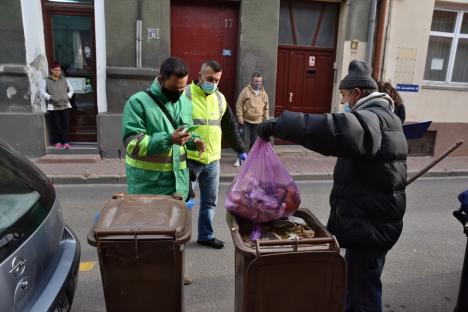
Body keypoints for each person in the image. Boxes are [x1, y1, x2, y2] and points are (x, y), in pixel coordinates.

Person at [258, 60, 408, 312]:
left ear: (357, 93)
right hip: (370, 223)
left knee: (363, 296)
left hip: (370, 228)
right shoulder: (384, 118)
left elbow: (334, 131)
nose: (343, 103)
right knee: (358, 286)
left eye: (344, 96)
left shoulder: (372, 119)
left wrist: (279, 125)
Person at [121, 57, 205, 285]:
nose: (179, 92)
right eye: (174, 88)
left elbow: (184, 133)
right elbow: (132, 145)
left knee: (177, 234)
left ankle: (176, 270)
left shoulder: (185, 102)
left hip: (177, 185)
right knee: (151, 236)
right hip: (148, 186)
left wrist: (193, 141)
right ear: (161, 79)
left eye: (183, 88)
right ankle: (151, 276)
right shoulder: (138, 103)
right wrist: (168, 139)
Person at [185, 60, 246, 249]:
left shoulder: (219, 98)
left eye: (217, 80)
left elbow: (229, 126)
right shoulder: (185, 94)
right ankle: (178, 237)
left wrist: (241, 149)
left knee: (210, 202)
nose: (213, 82)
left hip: (212, 160)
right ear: (200, 76)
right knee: (182, 203)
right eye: (209, 78)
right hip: (189, 160)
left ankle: (206, 235)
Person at [234, 72, 269, 166]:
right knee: (243, 140)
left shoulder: (263, 93)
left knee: (254, 141)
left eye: (259, 81)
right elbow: (239, 105)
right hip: (245, 120)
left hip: (258, 121)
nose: (258, 83)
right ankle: (239, 159)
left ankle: (251, 159)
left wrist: (267, 120)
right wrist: (240, 117)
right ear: (252, 81)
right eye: (256, 81)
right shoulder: (245, 91)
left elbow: (266, 108)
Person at [40, 62, 74, 149]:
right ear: (51, 70)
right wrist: (50, 97)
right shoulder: (45, 80)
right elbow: (42, 91)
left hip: (65, 105)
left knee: (65, 124)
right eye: (56, 70)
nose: (58, 72)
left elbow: (71, 89)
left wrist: (68, 96)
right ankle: (58, 142)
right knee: (56, 124)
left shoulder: (65, 80)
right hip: (53, 106)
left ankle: (66, 142)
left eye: (59, 70)